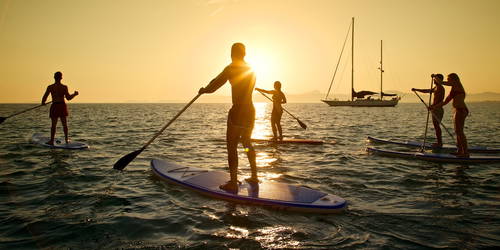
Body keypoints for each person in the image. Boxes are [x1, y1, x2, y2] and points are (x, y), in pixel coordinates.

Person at [198, 43, 258, 193]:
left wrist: (204, 90)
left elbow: (215, 85)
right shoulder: (251, 69)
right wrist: (212, 82)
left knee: (232, 146)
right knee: (246, 143)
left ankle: (233, 182)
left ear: (232, 54)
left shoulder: (231, 68)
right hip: (250, 111)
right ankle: (254, 175)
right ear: (244, 54)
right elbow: (218, 79)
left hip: (238, 111)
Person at [430, 73, 469, 157]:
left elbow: (441, 82)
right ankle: (460, 150)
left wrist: (434, 76)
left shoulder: (457, 84)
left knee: (460, 132)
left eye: (448, 79)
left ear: (454, 79)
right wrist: (433, 107)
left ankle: (465, 153)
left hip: (461, 110)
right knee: (457, 132)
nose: (447, 81)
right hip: (457, 111)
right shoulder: (453, 90)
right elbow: (445, 102)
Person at [41, 71, 79, 145]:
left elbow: (45, 97)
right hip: (62, 105)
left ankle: (52, 141)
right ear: (61, 78)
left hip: (55, 105)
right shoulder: (64, 87)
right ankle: (66, 139)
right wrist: (75, 94)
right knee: (64, 124)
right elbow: (68, 98)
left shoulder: (50, 87)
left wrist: (43, 102)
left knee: (53, 125)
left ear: (54, 77)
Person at [412, 74, 446, 147]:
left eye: (435, 79)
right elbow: (427, 91)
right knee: (436, 126)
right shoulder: (435, 87)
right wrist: (416, 90)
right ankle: (439, 142)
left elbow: (441, 102)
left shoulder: (440, 88)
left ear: (438, 79)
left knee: (437, 126)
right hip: (434, 109)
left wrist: (433, 107)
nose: (433, 80)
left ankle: (439, 143)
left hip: (438, 109)